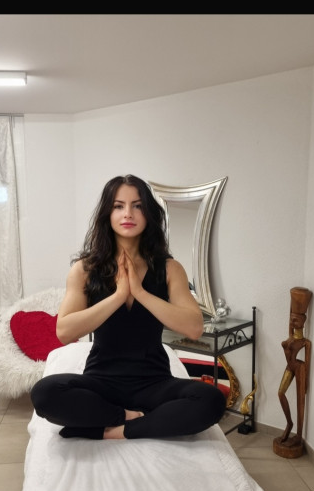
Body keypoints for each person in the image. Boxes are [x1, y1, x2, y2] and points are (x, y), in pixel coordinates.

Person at [30, 174, 226, 440]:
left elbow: (194, 328)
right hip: (101, 383)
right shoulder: (85, 270)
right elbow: (64, 332)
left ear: (148, 214)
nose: (128, 214)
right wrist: (119, 296)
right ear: (107, 214)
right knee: (45, 393)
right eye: (118, 206)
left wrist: (140, 293)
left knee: (211, 399)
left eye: (137, 205)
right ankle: (126, 416)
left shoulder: (169, 269)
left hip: (154, 383)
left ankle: (114, 430)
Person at [276, 287, 313, 448]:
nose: (293, 322)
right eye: (292, 319)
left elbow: (307, 363)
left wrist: (306, 384)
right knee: (280, 393)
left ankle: (298, 435)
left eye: (296, 320)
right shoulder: (290, 336)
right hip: (290, 367)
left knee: (300, 402)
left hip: (300, 368)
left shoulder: (305, 343)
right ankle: (289, 423)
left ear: (304, 322)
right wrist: (292, 304)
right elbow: (290, 315)